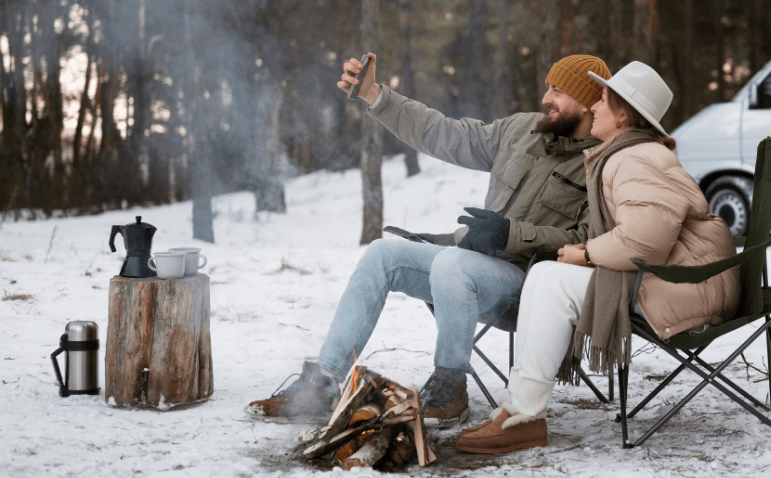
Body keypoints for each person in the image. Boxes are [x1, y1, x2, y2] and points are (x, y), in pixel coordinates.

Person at [246, 54, 613, 427]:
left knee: (452, 262)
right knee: (382, 254)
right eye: (547, 87)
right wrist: (376, 95)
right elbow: (445, 133)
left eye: (557, 90)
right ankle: (321, 385)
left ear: (586, 101)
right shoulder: (522, 130)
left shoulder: (601, 161)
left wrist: (511, 234)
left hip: (531, 286)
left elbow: (588, 240)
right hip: (471, 270)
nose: (545, 98)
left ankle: (450, 386)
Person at [455, 61, 742, 454]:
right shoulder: (628, 153)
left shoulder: (635, 158)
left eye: (603, 100)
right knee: (547, 275)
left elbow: (644, 242)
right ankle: (518, 412)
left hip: (686, 282)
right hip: (681, 277)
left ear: (624, 113)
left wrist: (587, 252)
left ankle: (523, 415)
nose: (594, 107)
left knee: (550, 280)